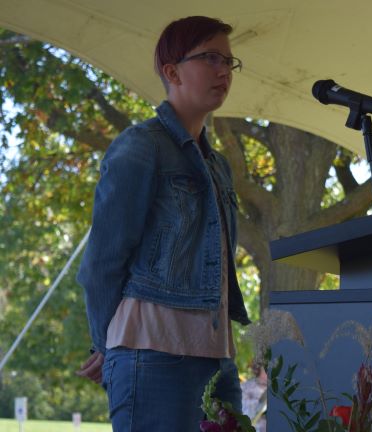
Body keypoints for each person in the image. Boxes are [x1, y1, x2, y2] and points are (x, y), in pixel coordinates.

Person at [75, 16, 250, 431]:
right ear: (171, 71)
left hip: (219, 359)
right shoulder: (141, 146)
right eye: (210, 58)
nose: (224, 70)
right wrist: (108, 346)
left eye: (229, 61)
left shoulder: (218, 164)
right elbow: (102, 261)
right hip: (153, 354)